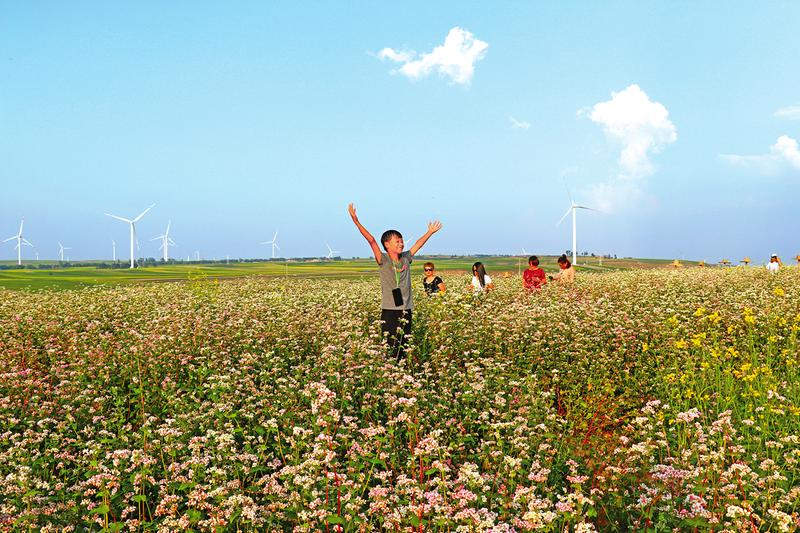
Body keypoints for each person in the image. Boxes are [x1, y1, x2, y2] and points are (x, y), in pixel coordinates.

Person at [348, 203, 442, 360]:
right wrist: (356, 221)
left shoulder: (406, 258)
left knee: (404, 345)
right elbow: (371, 240)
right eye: (397, 241)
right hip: (390, 310)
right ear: (387, 244)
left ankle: (403, 372)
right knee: (391, 345)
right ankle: (392, 372)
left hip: (406, 308)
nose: (401, 243)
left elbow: (418, 244)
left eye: (402, 241)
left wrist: (429, 232)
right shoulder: (383, 260)